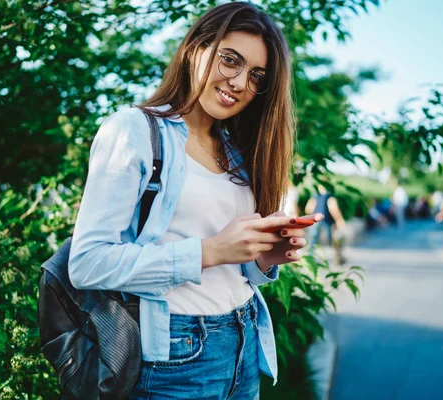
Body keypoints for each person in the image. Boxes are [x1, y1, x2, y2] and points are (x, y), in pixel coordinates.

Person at [67, 3, 323, 398]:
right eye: (230, 60)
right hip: (176, 355)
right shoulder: (134, 130)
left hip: (243, 341)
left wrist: (262, 259)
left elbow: (227, 269)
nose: (239, 83)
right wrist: (210, 251)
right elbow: (87, 264)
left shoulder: (237, 150)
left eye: (256, 76)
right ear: (194, 50)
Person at [305, 184, 347, 265]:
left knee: (313, 240)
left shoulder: (315, 195)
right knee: (332, 240)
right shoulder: (329, 196)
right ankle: (335, 259)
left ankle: (310, 258)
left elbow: (308, 208)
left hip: (315, 221)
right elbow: (333, 208)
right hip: (327, 221)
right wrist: (339, 220)